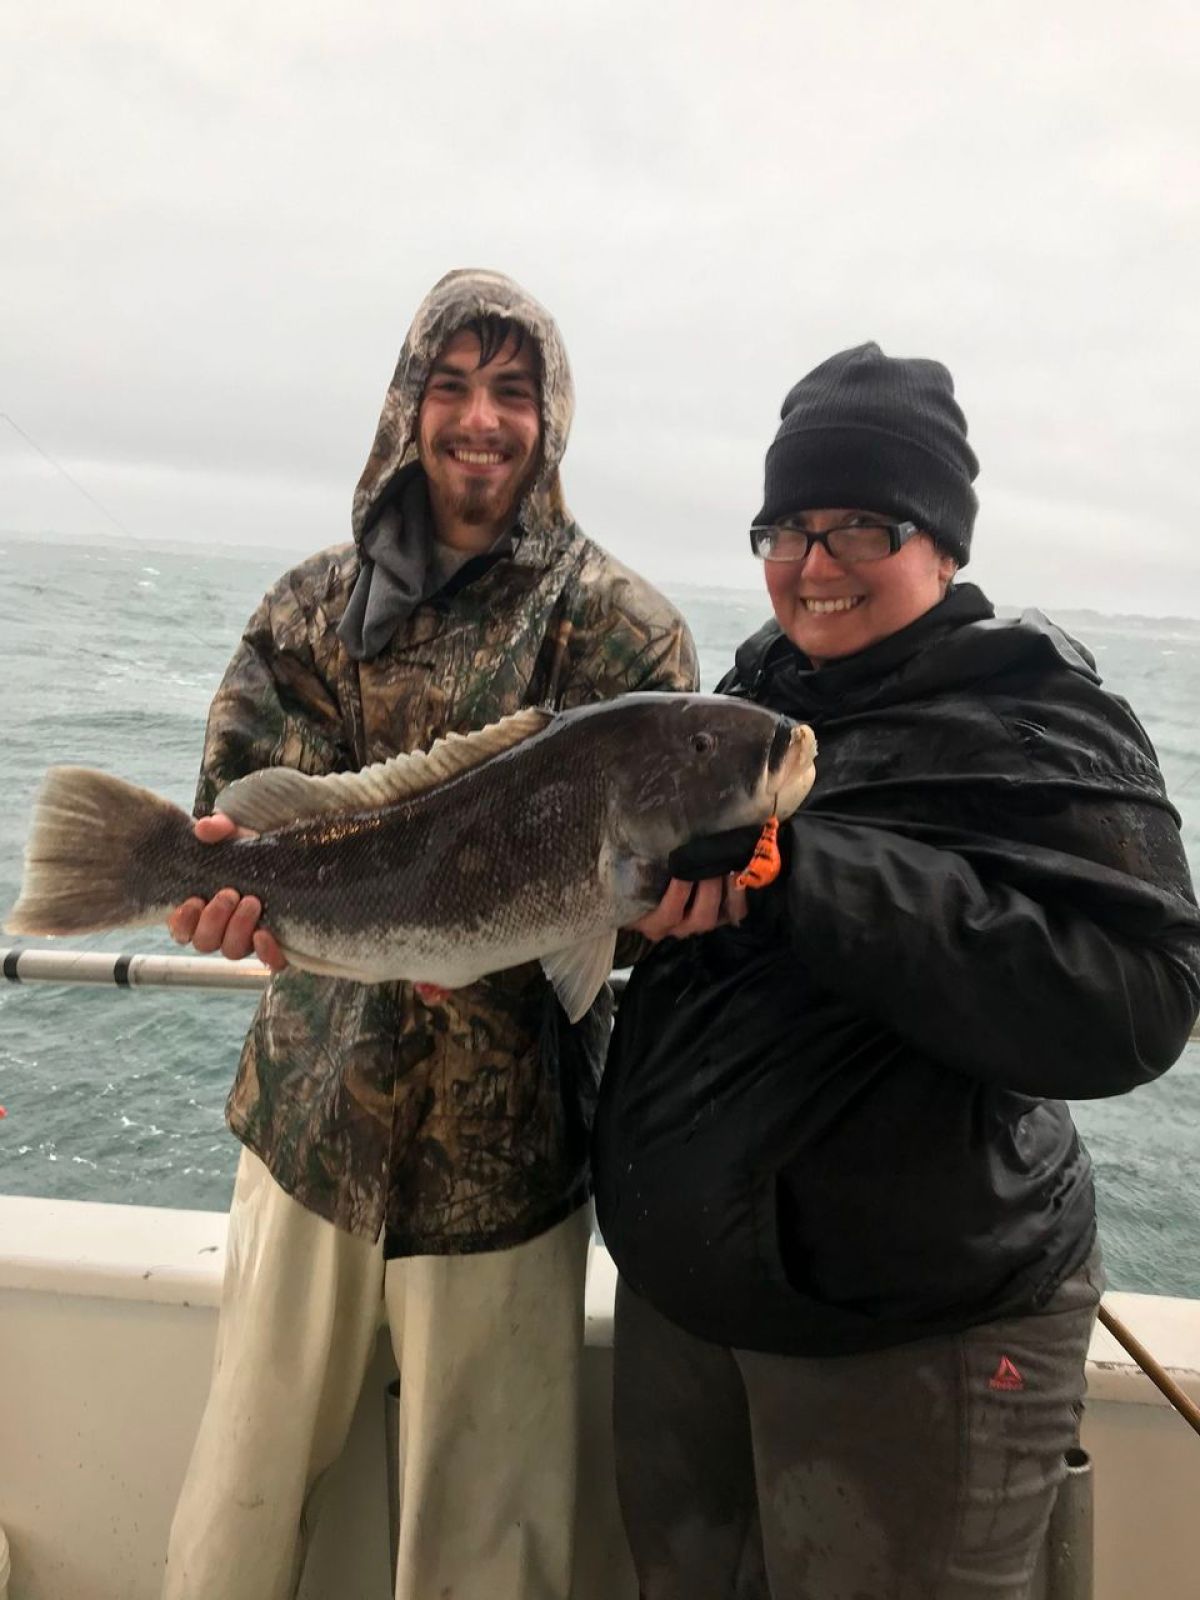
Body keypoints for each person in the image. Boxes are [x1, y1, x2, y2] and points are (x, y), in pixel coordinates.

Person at [594, 342, 1200, 1600]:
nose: (814, 564)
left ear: (945, 543)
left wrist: (806, 870)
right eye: (787, 529)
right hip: (688, 1311)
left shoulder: (1039, 719)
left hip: (913, 1335)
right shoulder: (753, 699)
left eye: (861, 526)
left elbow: (1142, 997)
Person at [161, 268, 698, 1600]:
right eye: (450, 385)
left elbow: (643, 912)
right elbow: (237, 806)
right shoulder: (308, 608)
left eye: (513, 391)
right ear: (407, 405)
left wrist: (659, 918)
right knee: (236, 1509)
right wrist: (225, 900)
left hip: (505, 1171)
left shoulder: (625, 634)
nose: (480, 419)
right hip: (309, 1135)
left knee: (486, 1556)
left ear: (550, 418)